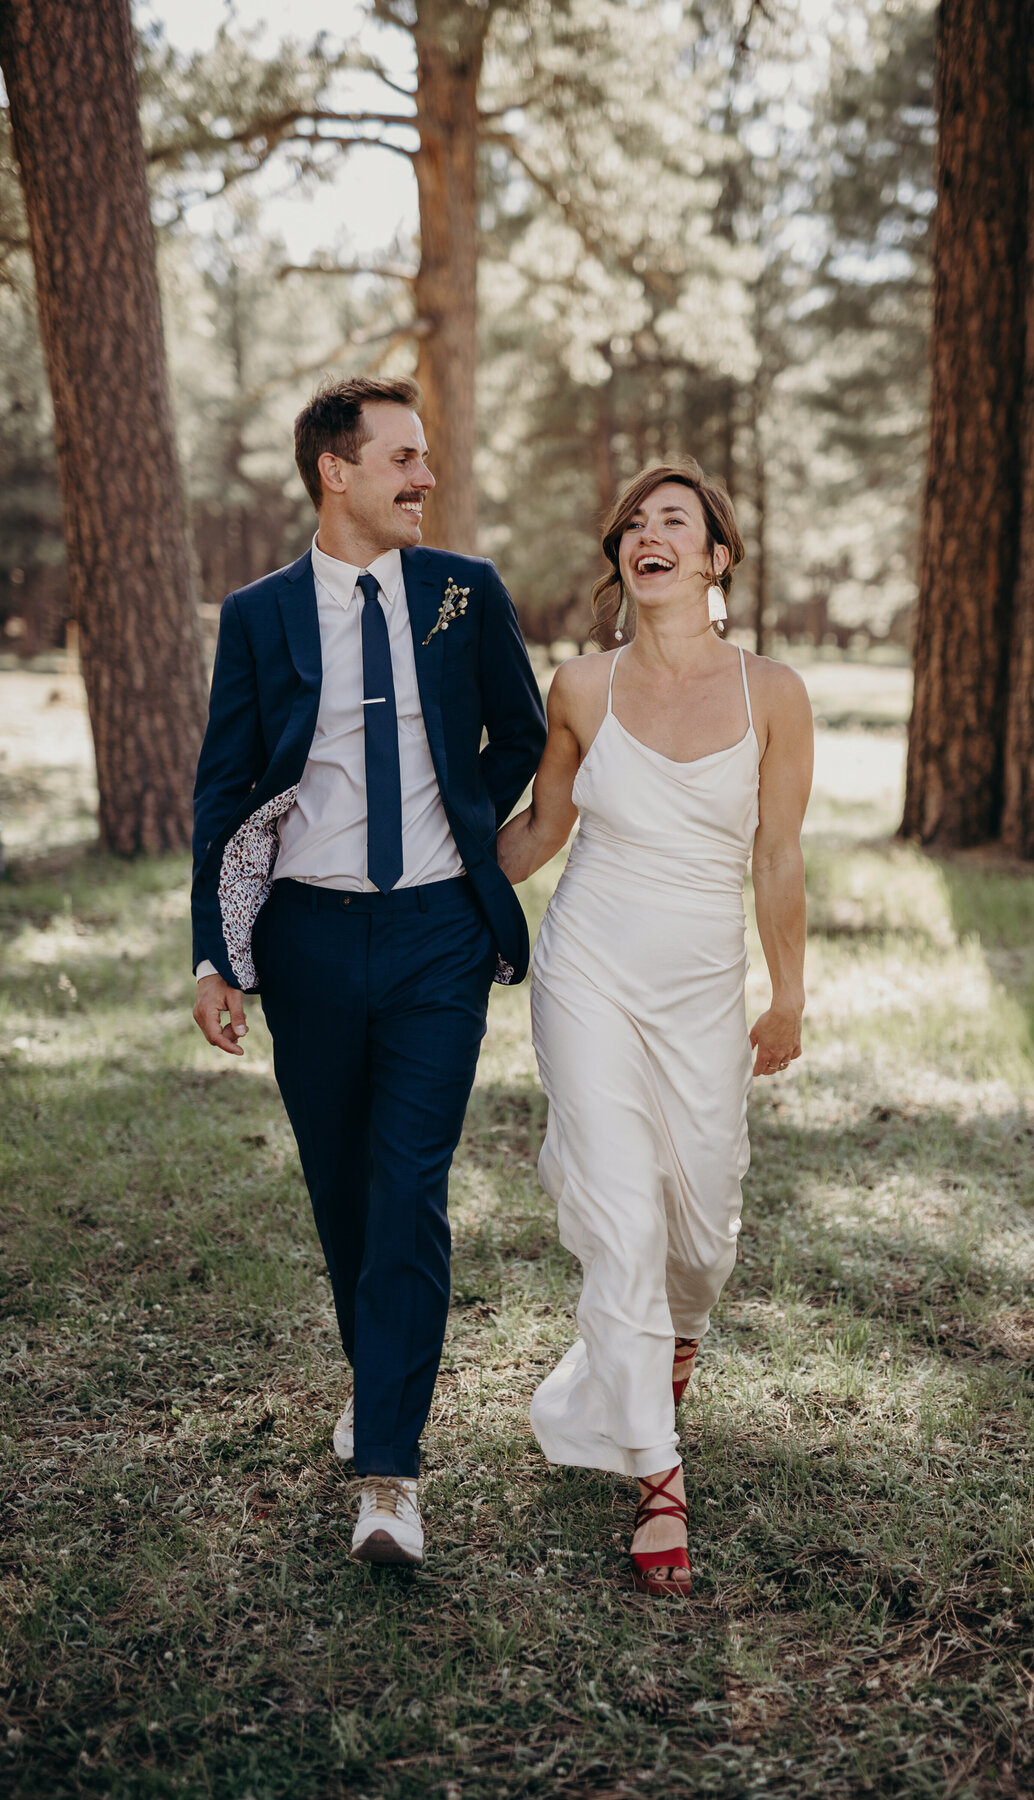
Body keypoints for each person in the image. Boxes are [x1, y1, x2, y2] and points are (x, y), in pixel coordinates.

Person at [191, 375, 546, 1565]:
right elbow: (224, 787)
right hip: (306, 937)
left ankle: (389, 1475)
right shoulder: (259, 615)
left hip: (440, 935)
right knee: (343, 1190)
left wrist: (462, 818)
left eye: (425, 457)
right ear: (334, 472)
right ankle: (378, 1374)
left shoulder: (464, 592)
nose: (424, 477)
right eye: (401, 458)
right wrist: (215, 952)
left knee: (407, 1190)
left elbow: (522, 730)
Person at [497, 458, 812, 1597]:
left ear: (716, 558)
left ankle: (665, 1351)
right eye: (633, 522)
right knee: (623, 1217)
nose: (647, 533)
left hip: (702, 985)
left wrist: (788, 995)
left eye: (673, 520)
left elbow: (778, 858)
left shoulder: (773, 694)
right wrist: (426, 882)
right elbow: (541, 832)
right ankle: (657, 1476)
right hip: (588, 968)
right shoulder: (581, 687)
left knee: (702, 1231)